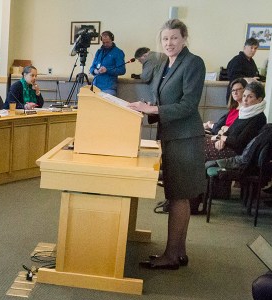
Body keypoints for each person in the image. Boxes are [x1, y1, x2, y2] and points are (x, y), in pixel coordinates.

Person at [127, 19, 206, 270]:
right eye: (165, 39)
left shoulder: (193, 62)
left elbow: (188, 105)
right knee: (177, 195)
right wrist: (144, 108)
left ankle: (171, 256)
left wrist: (153, 108)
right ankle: (179, 252)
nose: (169, 43)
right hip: (171, 136)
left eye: (174, 38)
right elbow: (160, 101)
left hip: (185, 138)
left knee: (178, 196)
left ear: (184, 38)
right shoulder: (164, 64)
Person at [206, 81, 267, 161]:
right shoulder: (244, 112)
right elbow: (229, 132)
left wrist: (221, 137)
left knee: (198, 149)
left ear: (259, 100)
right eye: (244, 95)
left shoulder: (259, 118)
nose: (245, 99)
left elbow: (239, 143)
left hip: (236, 153)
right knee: (196, 142)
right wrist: (220, 140)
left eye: (250, 97)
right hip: (227, 145)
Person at [89, 31, 126, 95]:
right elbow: (92, 67)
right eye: (103, 42)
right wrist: (95, 71)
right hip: (95, 87)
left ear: (112, 40)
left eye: (107, 42)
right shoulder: (99, 52)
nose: (105, 44)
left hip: (108, 88)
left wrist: (107, 70)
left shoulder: (118, 52)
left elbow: (122, 70)